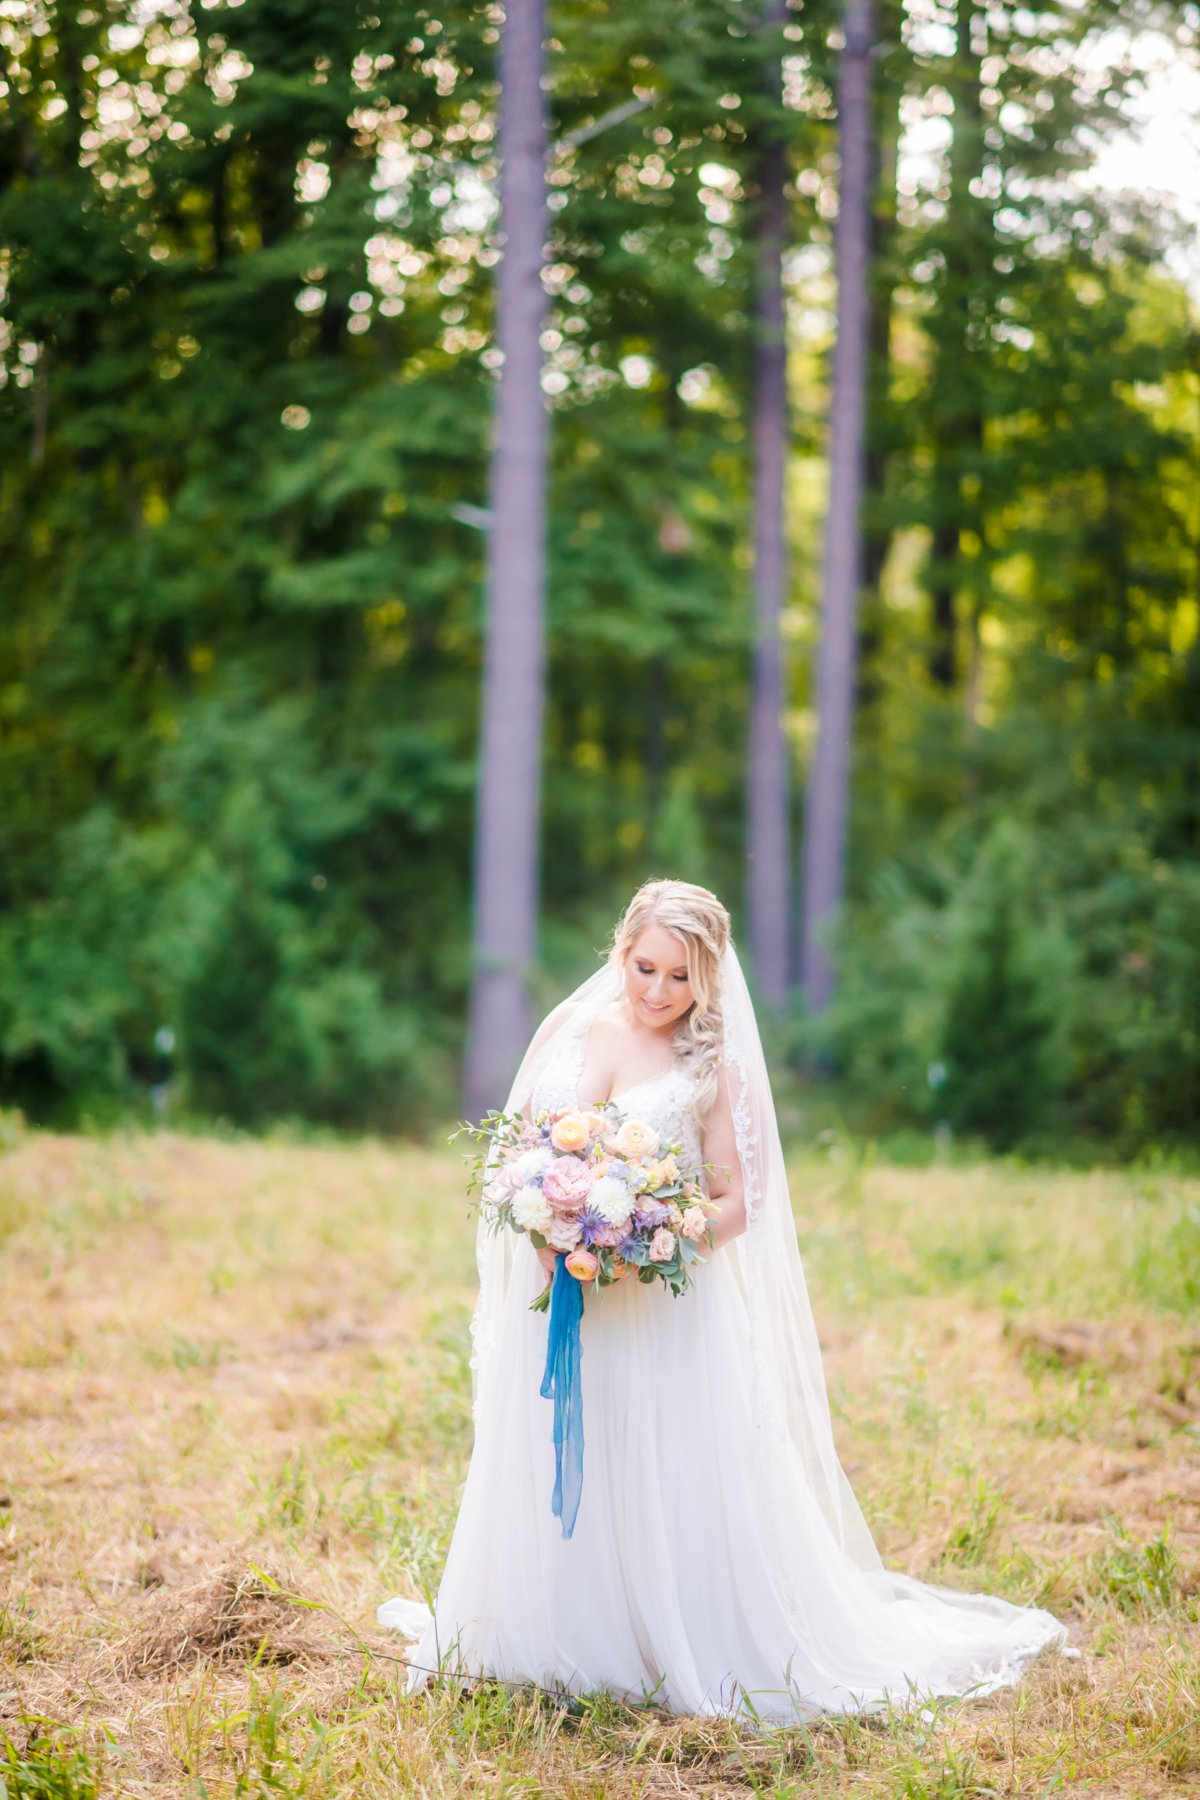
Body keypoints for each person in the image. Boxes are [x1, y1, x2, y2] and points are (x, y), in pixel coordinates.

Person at [378, 878, 1069, 1722]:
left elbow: (740, 1201)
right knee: (557, 1447)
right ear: (620, 950)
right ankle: (547, 1631)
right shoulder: (568, 1027)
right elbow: (519, 1144)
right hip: (555, 1286)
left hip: (654, 1302)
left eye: (681, 978)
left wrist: (639, 1240)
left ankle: (653, 1639)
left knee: (648, 1459)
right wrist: (543, 1211)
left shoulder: (712, 1065)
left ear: (708, 978)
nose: (660, 993)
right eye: (645, 968)